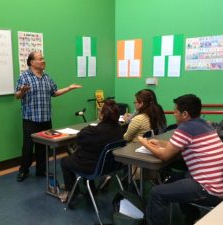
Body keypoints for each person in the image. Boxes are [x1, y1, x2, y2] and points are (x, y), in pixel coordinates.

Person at [139, 94, 223, 225]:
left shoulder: (185, 128)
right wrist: (160, 143)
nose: (174, 114)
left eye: (175, 111)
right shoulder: (204, 125)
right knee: (174, 179)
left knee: (157, 193)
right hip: (218, 183)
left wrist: (144, 142)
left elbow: (164, 156)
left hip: (210, 190)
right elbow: (180, 145)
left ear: (184, 114)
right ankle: (191, 217)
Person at [15, 51, 82, 182]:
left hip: (45, 118)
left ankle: (41, 170)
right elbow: (17, 96)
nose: (43, 61)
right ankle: (24, 170)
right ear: (32, 62)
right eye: (40, 59)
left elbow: (54, 93)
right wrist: (22, 91)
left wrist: (69, 88)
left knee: (44, 147)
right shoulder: (24, 76)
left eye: (43, 59)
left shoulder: (47, 77)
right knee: (28, 147)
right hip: (30, 119)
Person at [60, 100, 125, 202]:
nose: (99, 111)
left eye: (100, 110)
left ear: (103, 115)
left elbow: (79, 138)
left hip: (94, 167)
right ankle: (91, 188)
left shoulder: (94, 131)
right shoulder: (119, 129)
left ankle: (72, 192)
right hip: (111, 166)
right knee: (90, 156)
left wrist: (90, 126)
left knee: (65, 161)